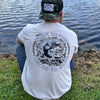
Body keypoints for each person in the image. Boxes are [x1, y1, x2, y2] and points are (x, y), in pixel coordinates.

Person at [16, 0, 78, 100]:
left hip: (32, 88)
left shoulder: (28, 29)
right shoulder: (72, 35)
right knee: (71, 55)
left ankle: (32, 78)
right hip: (61, 89)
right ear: (61, 13)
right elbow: (72, 58)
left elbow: (18, 40)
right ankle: (56, 92)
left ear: (42, 12)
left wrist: (31, 42)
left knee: (20, 47)